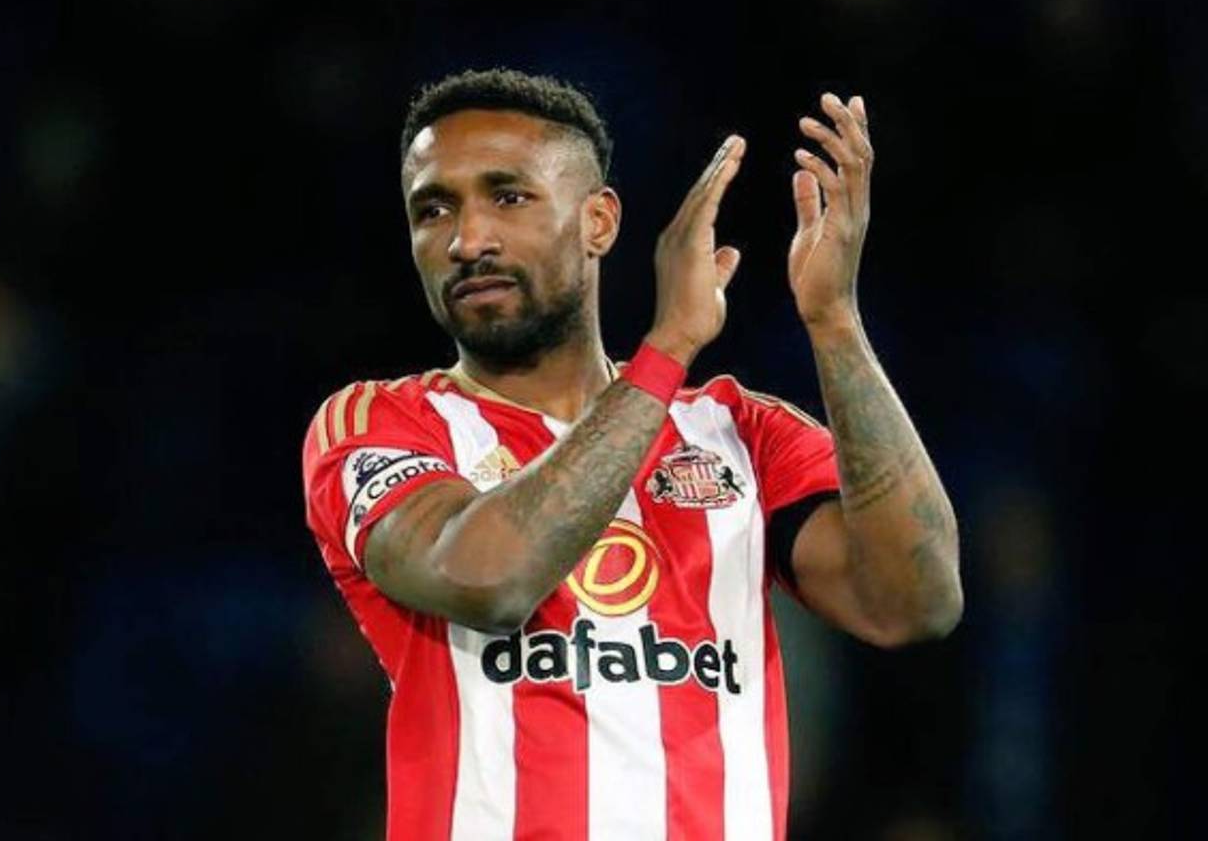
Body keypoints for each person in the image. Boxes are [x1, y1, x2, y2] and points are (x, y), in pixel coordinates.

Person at [301, 67, 962, 841]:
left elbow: (913, 602)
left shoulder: (736, 432)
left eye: (508, 197)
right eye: (433, 209)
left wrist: (835, 321)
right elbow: (489, 580)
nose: (466, 239)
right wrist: (670, 345)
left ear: (599, 223)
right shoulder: (379, 423)